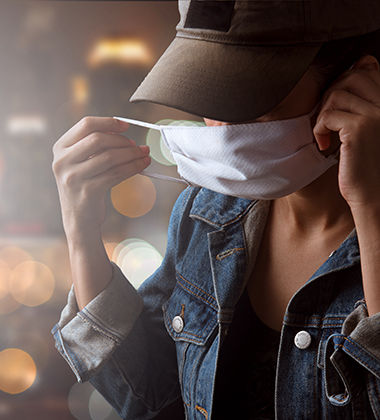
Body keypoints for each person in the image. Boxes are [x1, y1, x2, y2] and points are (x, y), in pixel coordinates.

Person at [51, 1, 380, 419]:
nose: (223, 129)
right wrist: (82, 236)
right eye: (209, 93)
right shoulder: (203, 215)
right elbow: (151, 399)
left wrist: (371, 207)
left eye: (249, 96)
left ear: (359, 82)